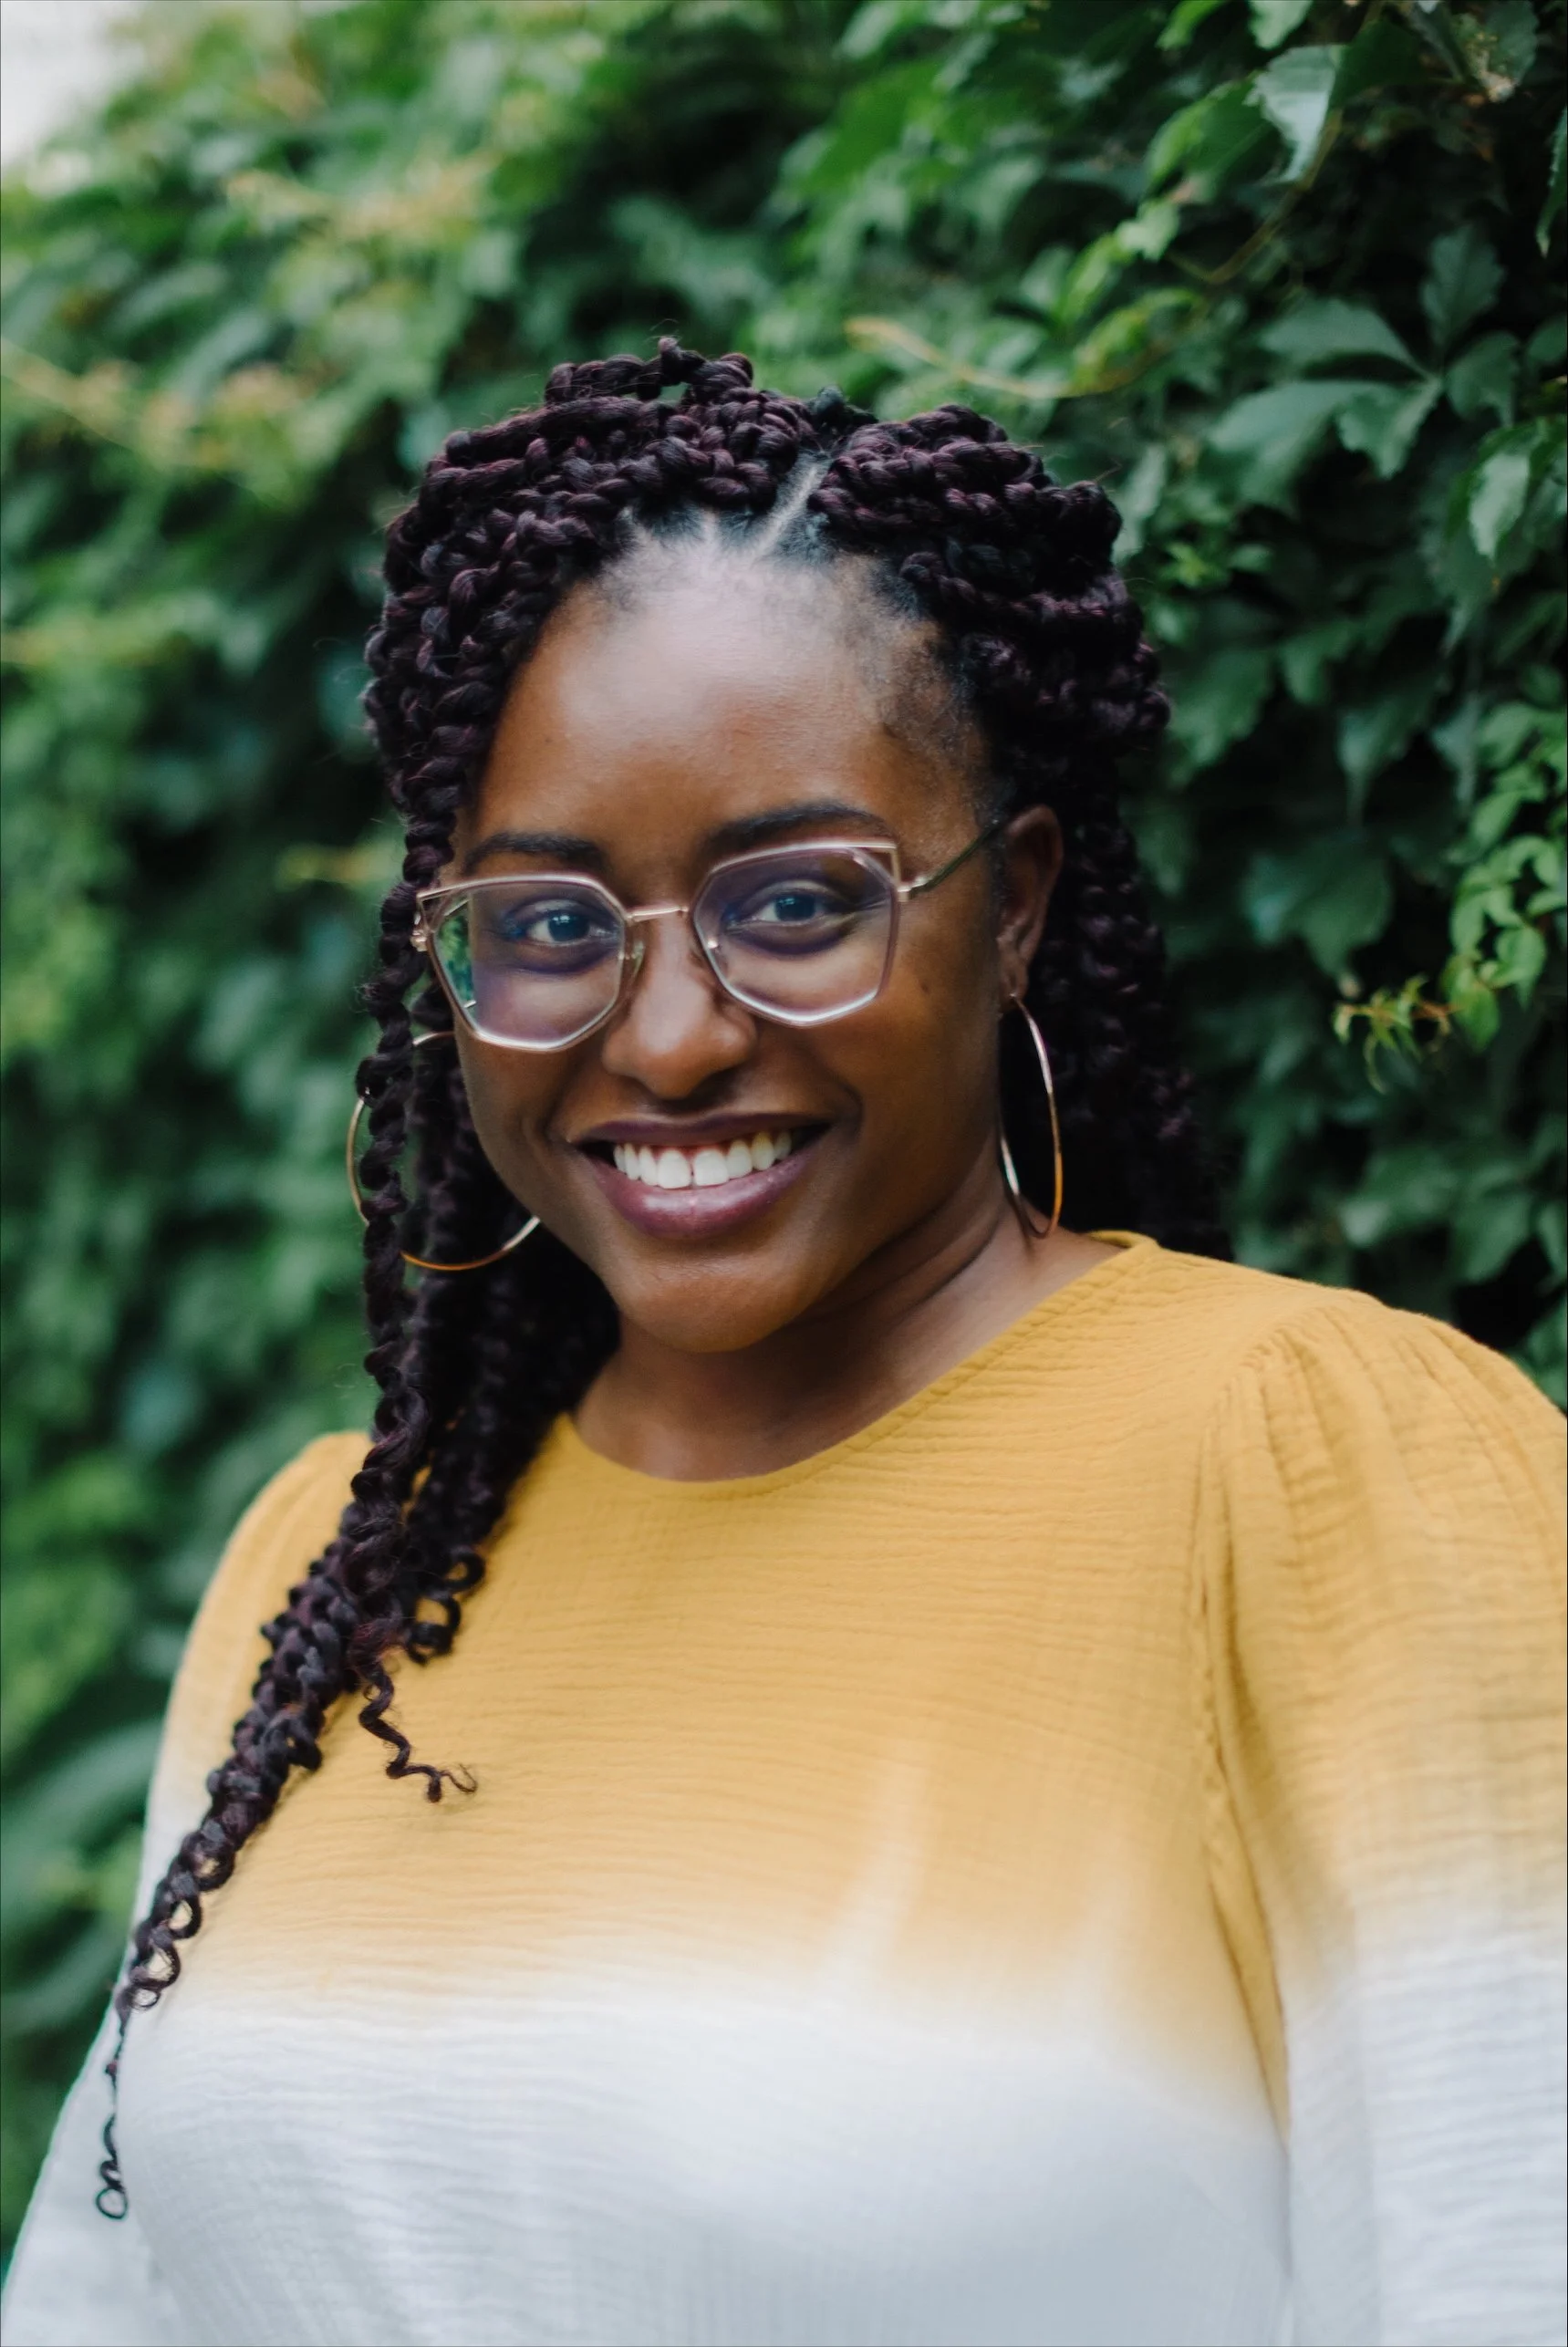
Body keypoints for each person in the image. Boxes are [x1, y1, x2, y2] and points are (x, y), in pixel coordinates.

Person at [5, 344, 1563, 2347]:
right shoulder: (341, 1557)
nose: (666, 1038)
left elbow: (1507, 2249)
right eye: (550, 920)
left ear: (1011, 907)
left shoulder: (1316, 1464)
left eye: (797, 898)